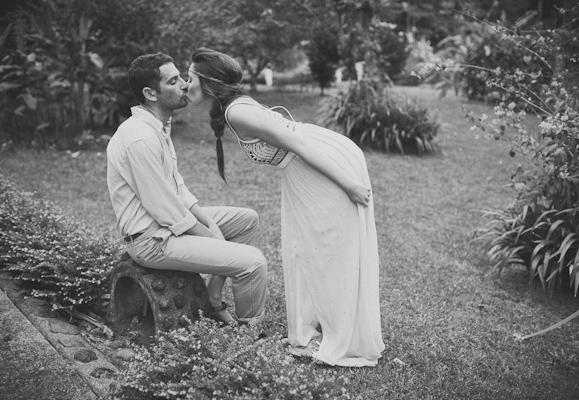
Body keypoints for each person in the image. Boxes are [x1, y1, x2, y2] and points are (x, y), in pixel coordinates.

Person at [186, 47, 384, 367]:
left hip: (314, 162)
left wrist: (349, 185)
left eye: (189, 76)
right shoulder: (233, 108)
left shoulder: (237, 111)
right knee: (307, 251)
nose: (185, 83)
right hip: (300, 168)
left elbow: (299, 145)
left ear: (208, 81)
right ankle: (313, 330)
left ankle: (344, 335)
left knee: (325, 251)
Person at [106, 53, 268, 325]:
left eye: (182, 76)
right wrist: (209, 235)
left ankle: (213, 297)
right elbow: (165, 209)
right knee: (253, 263)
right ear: (150, 93)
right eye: (173, 81)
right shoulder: (140, 138)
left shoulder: (157, 127)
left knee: (246, 221)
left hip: (167, 224)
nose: (185, 84)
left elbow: (178, 189)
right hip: (151, 239)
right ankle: (250, 334)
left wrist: (209, 224)